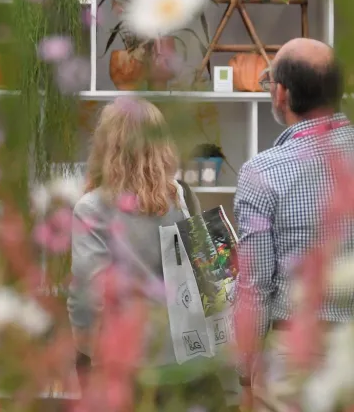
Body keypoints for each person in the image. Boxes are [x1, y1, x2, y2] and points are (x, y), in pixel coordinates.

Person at [67, 98, 227, 408]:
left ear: (105, 145)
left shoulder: (91, 208)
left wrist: (85, 357)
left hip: (124, 361)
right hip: (186, 357)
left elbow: (89, 297)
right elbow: (210, 278)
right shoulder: (182, 196)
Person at [235, 38, 353, 410]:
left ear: (281, 93)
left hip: (292, 355)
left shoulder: (261, 173)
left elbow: (254, 287)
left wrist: (245, 372)